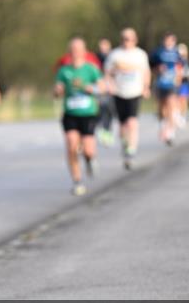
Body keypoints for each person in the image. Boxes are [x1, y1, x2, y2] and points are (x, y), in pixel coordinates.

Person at [55, 36, 103, 196]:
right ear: (69, 52)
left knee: (88, 150)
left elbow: (103, 87)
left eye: (78, 50)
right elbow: (57, 89)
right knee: (71, 146)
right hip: (70, 114)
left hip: (88, 113)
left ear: (84, 51)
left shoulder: (91, 69)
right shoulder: (64, 70)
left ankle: (89, 160)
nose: (75, 53)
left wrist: (93, 89)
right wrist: (58, 91)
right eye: (72, 50)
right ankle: (77, 181)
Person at [104, 28, 150, 170]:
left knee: (132, 122)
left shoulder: (140, 54)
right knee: (123, 125)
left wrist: (146, 87)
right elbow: (106, 72)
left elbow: (146, 71)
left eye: (129, 39)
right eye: (124, 38)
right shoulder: (115, 54)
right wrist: (110, 85)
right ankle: (125, 145)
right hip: (119, 92)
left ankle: (131, 150)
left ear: (135, 40)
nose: (127, 41)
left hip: (134, 92)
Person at [151, 33, 183, 145]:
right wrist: (157, 69)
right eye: (167, 40)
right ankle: (162, 124)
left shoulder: (177, 53)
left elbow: (181, 66)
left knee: (171, 104)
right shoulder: (158, 52)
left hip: (172, 83)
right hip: (160, 83)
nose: (169, 42)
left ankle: (170, 131)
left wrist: (178, 77)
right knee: (162, 106)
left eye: (171, 40)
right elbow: (151, 65)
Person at [95, 38, 116, 146]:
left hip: (111, 88)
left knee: (109, 111)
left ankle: (108, 132)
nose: (103, 48)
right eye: (101, 46)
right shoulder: (95, 58)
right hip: (99, 88)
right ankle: (101, 130)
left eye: (105, 46)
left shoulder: (113, 57)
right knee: (99, 110)